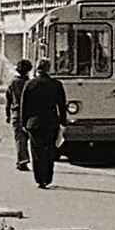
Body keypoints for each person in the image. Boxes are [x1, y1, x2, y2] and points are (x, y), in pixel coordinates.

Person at [20, 58, 67, 189]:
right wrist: (63, 122)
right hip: (51, 122)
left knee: (37, 152)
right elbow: (61, 105)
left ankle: (39, 179)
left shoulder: (30, 84)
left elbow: (24, 106)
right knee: (49, 150)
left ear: (37, 68)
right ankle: (47, 178)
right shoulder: (56, 84)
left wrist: (24, 123)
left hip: (33, 123)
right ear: (49, 68)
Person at [5, 59, 33, 171]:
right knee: (27, 138)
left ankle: (22, 161)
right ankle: (22, 160)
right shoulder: (30, 83)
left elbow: (8, 100)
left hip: (16, 113)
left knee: (19, 138)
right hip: (29, 114)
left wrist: (7, 114)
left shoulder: (13, 83)